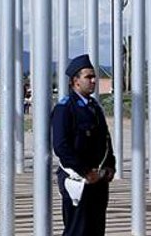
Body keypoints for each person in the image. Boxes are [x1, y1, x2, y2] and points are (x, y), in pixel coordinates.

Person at [51, 54, 114, 236]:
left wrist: (111, 165)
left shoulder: (94, 106)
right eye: (88, 77)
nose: (93, 80)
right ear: (75, 81)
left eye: (94, 76)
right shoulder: (65, 108)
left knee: (96, 229)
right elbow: (61, 146)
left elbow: (106, 140)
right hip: (78, 179)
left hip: (98, 179)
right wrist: (85, 171)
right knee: (77, 230)